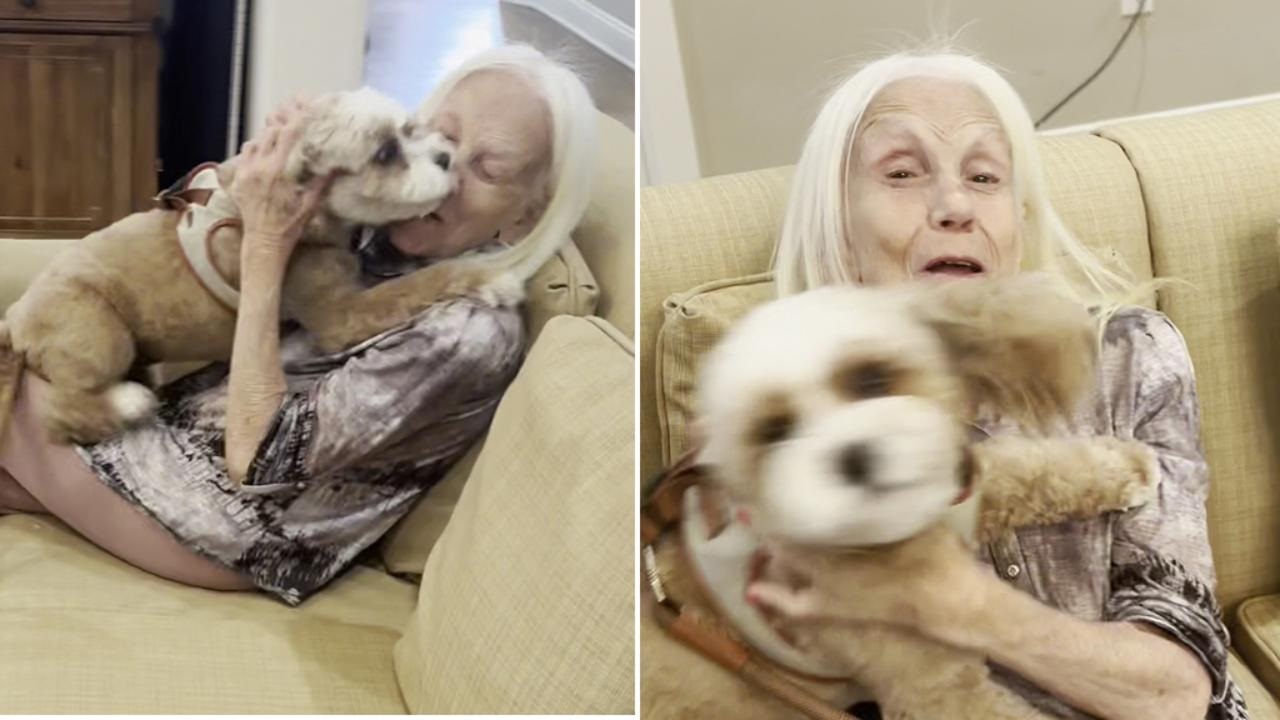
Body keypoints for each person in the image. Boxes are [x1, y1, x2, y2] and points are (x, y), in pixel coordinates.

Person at [0, 44, 597, 606]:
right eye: (439, 136)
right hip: (166, 448)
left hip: (219, 523)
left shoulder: (470, 332)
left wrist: (265, 248)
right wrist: (283, 163)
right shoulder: (384, 237)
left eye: (489, 170)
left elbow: (257, 465)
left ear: (526, 216)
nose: (448, 170)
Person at [744, 51, 1244, 719]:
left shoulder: (1128, 357)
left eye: (985, 175)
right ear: (836, 226)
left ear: (1020, 220)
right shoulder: (784, 412)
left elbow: (1176, 693)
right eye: (901, 172)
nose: (954, 205)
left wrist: (962, 607)